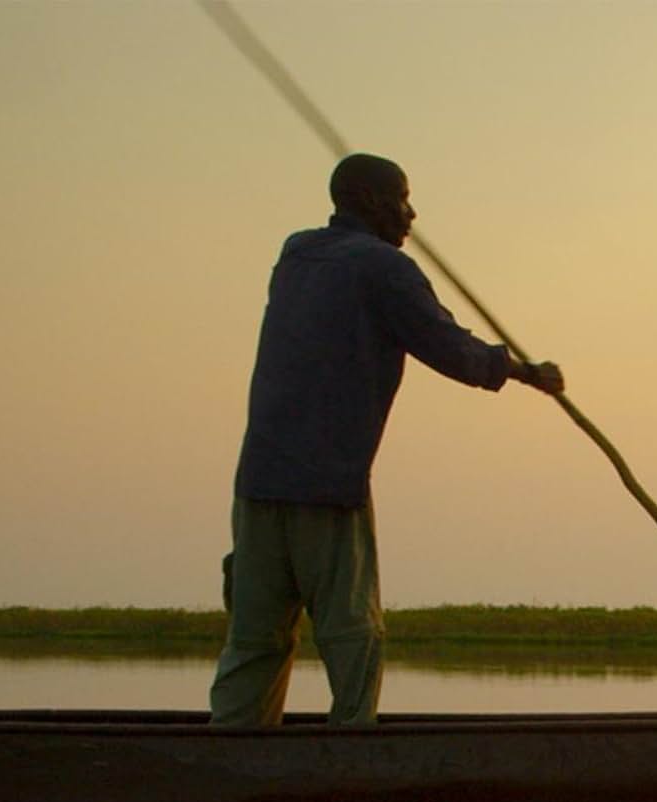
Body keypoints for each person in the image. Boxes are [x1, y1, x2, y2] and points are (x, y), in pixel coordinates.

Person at [209, 153, 565, 727]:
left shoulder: (295, 253)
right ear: (374, 203)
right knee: (354, 635)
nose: (411, 214)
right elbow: (452, 350)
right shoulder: (384, 270)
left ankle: (229, 751)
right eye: (401, 200)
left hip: (257, 484)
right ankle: (351, 756)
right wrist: (528, 372)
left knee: (254, 640)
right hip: (327, 486)